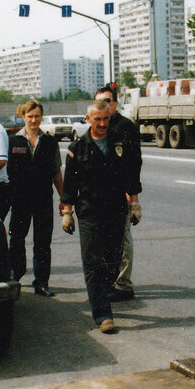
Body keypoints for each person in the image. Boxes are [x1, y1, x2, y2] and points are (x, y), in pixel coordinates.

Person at [60, 100, 142, 334]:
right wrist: (67, 212)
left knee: (113, 260)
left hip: (116, 209)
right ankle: (103, 314)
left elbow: (131, 175)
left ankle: (102, 294)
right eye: (98, 119)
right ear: (88, 119)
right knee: (92, 261)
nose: (103, 124)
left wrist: (134, 204)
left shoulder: (120, 142)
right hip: (90, 211)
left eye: (106, 119)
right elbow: (70, 183)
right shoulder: (78, 147)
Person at [7, 100, 65, 297]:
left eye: (37, 116)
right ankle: (15, 276)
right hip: (20, 199)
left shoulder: (50, 142)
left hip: (43, 200)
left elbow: (56, 172)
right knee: (16, 239)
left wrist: (64, 199)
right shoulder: (12, 141)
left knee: (42, 242)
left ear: (41, 117)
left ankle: (41, 282)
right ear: (23, 117)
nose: (34, 120)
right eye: (30, 116)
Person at [94, 83, 142, 301]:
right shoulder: (96, 126)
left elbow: (134, 164)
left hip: (121, 194)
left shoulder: (125, 127)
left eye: (107, 101)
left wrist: (133, 198)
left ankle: (123, 284)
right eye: (99, 102)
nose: (103, 105)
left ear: (115, 103)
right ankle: (109, 281)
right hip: (100, 195)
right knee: (104, 241)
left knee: (122, 239)